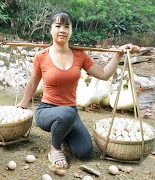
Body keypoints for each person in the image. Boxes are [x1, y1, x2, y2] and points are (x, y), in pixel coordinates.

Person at [16, 10, 140, 169]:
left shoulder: (80, 55)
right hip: (47, 111)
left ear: (71, 30)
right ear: (51, 29)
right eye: (58, 26)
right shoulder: (41, 56)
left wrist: (118, 54)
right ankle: (54, 148)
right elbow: (32, 84)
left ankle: (62, 132)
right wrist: (23, 104)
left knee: (84, 151)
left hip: (70, 112)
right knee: (67, 113)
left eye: (67, 26)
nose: (62, 30)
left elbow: (103, 74)